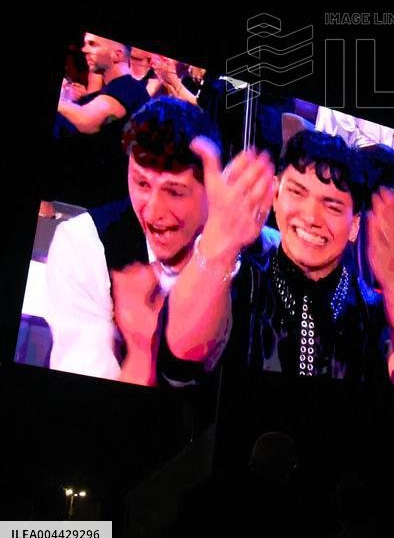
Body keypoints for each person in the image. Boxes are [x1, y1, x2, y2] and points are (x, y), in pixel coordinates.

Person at [158, 129, 394, 390]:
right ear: (275, 196)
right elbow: (179, 361)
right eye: (297, 192)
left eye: (332, 205)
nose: (311, 217)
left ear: (354, 226)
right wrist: (217, 243)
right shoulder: (239, 285)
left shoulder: (371, 313)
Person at [44, 97, 251, 385]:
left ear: (212, 187)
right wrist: (141, 348)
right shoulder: (83, 245)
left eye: (175, 192)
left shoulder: (254, 249)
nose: (153, 211)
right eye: (141, 184)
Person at [51, 33, 151, 209]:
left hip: (100, 202)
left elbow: (88, 122)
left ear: (117, 54)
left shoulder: (128, 88)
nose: (85, 50)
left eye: (93, 44)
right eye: (84, 44)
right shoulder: (106, 93)